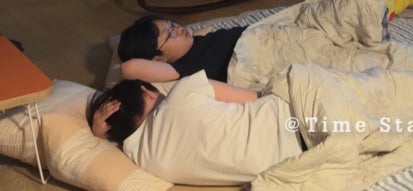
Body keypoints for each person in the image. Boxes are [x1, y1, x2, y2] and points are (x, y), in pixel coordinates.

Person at [87, 71, 303, 185]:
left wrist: (99, 132)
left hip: (292, 163)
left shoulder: (143, 158)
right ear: (147, 91)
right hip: (293, 118)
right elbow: (255, 96)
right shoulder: (184, 90)